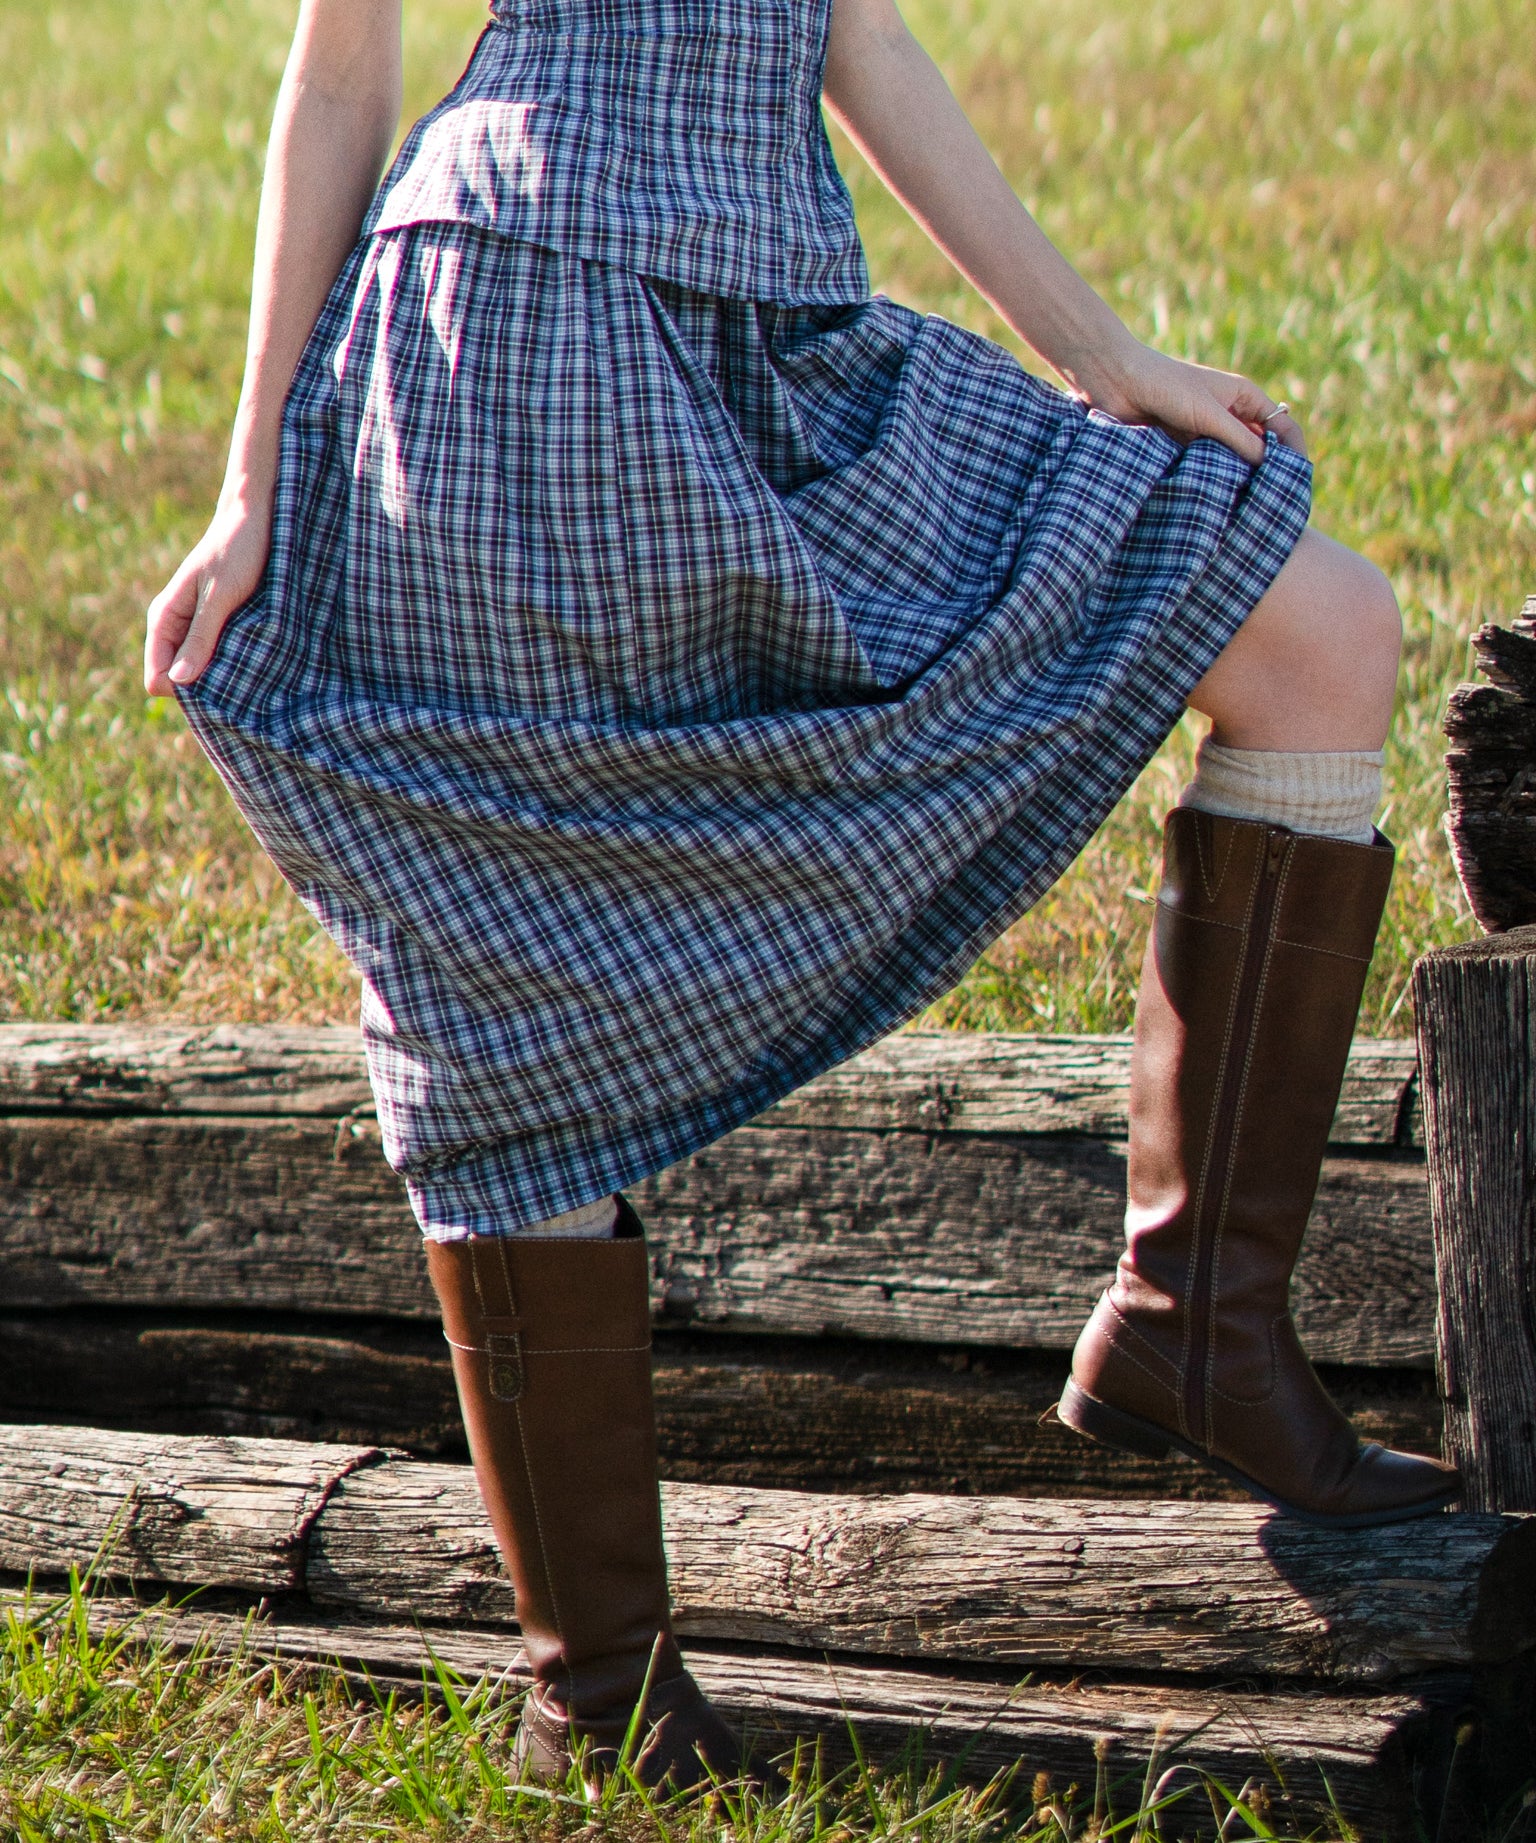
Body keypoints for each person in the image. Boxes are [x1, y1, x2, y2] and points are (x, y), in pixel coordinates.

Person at [144, 0, 1458, 1790]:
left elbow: (853, 35)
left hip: (776, 348)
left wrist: (1106, 354)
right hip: (519, 340)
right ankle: (601, 1700)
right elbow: (345, 63)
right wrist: (250, 485)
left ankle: (1198, 1322)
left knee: (1321, 633)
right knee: (519, 965)